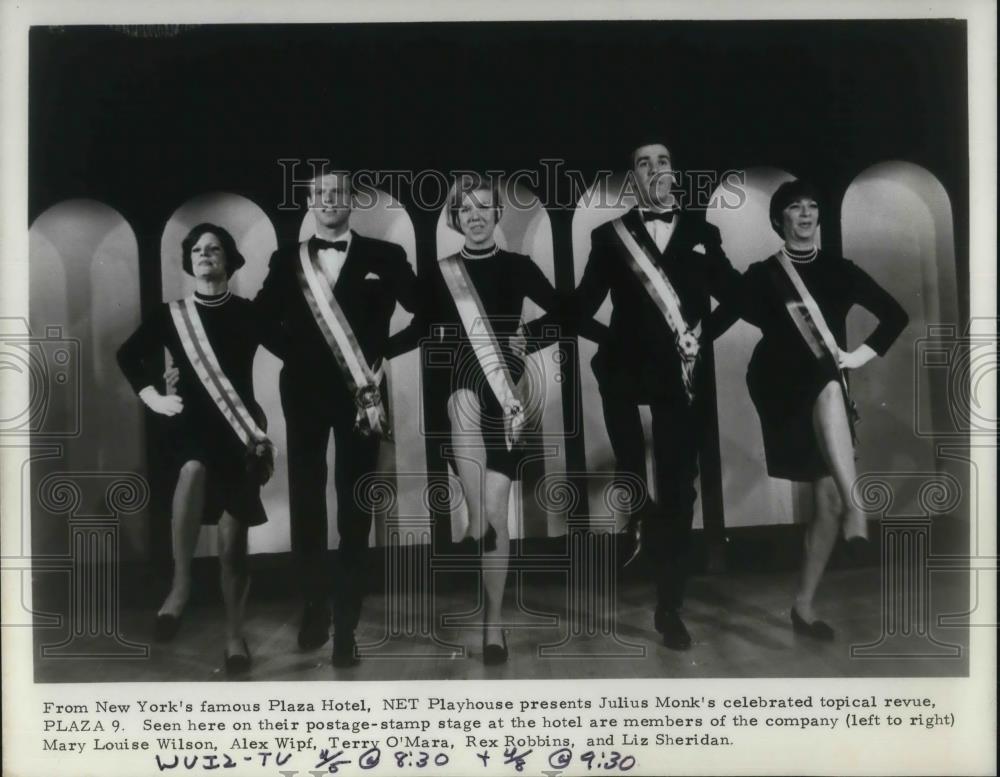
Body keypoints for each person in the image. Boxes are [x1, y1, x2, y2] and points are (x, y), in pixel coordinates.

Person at [569, 141, 743, 650]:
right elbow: (582, 306)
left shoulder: (701, 233)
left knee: (679, 491)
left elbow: (734, 297)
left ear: (675, 173)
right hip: (624, 372)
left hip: (679, 378)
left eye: (663, 160)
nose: (654, 169)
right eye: (643, 163)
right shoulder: (609, 236)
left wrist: (701, 335)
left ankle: (669, 606)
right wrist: (603, 337)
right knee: (631, 471)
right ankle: (640, 515)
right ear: (633, 179)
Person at [716, 178, 908, 640]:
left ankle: (803, 607)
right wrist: (684, 342)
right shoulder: (764, 274)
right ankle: (860, 506)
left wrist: (857, 356)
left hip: (825, 388)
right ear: (778, 219)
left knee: (827, 500)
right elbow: (719, 317)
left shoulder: (841, 270)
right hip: (778, 383)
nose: (804, 215)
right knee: (826, 384)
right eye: (794, 208)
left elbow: (894, 314)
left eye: (811, 207)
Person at [403, 174, 581, 664]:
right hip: (460, 394)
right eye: (466, 208)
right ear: (455, 218)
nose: (476, 215)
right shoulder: (440, 273)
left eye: (485, 206)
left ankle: (493, 624)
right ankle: (477, 526)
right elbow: (418, 326)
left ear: (496, 213)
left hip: (507, 400)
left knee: (496, 516)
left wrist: (534, 334)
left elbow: (568, 313)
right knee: (462, 403)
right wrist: (376, 352)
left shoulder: (519, 268)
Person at [254, 169, 419, 667]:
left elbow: (429, 310)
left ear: (352, 201)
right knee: (307, 497)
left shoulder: (385, 257)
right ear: (310, 202)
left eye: (338, 193)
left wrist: (385, 351)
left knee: (354, 502)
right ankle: (313, 606)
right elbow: (262, 318)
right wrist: (297, 354)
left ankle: (347, 617)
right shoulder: (287, 260)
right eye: (320, 194)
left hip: (360, 395)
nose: (329, 200)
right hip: (303, 393)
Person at [117, 223, 283, 676]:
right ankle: (181, 584)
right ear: (189, 263)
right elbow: (128, 356)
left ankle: (234, 636)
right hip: (192, 426)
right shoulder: (172, 314)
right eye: (197, 250)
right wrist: (155, 396)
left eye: (214, 249)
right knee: (191, 469)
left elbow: (296, 347)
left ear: (229, 260)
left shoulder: (249, 313)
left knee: (233, 545)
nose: (205, 255)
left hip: (240, 432)